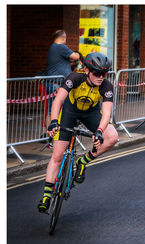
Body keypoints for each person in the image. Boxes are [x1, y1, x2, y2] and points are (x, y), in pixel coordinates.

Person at [38, 52, 118, 213]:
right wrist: (54, 121)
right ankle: (47, 195)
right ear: (87, 70)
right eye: (97, 73)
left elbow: (107, 113)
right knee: (58, 155)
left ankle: (82, 162)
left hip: (91, 113)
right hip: (69, 112)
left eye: (104, 73)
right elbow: (58, 100)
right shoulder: (74, 78)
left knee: (113, 137)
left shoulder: (106, 86)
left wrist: (100, 131)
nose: (101, 77)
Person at [45, 30, 80, 131]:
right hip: (56, 84)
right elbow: (76, 56)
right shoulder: (60, 46)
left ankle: (49, 134)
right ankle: (58, 133)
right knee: (58, 110)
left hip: (54, 83)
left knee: (52, 110)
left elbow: (60, 63)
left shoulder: (53, 47)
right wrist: (78, 55)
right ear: (64, 38)